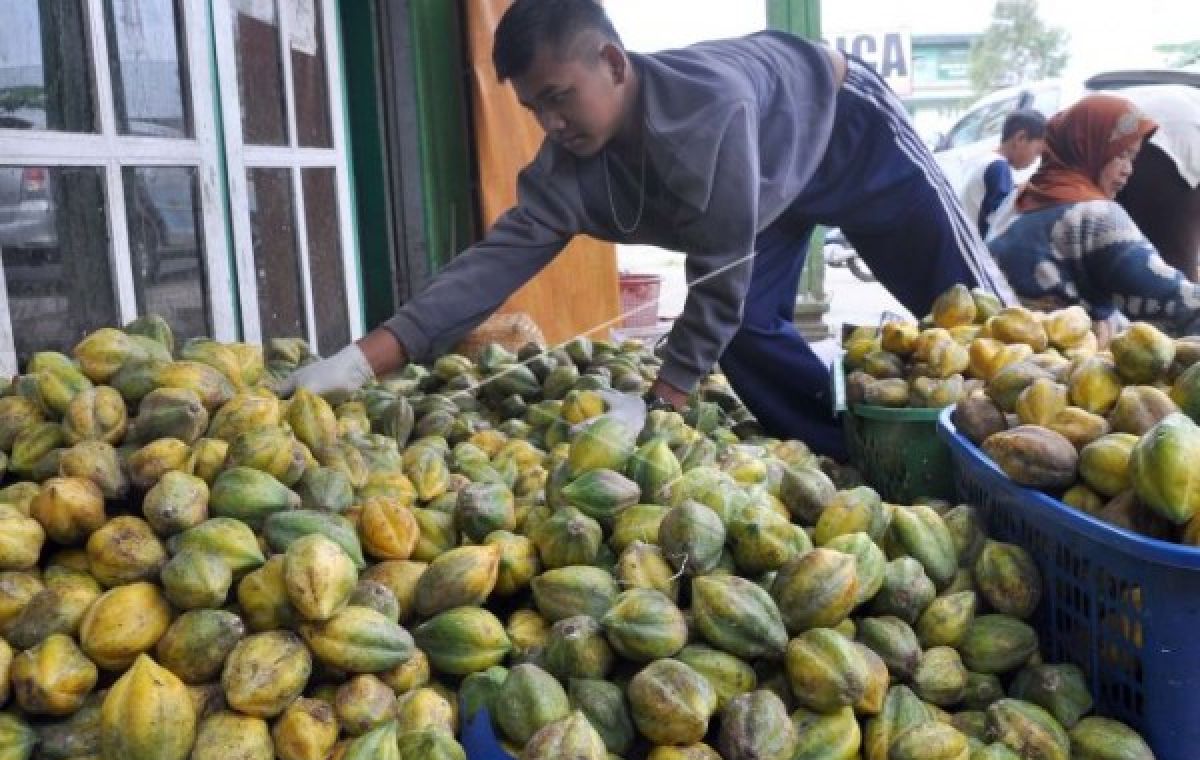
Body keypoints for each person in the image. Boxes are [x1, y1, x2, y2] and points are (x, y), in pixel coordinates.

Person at [283, 0, 1013, 458]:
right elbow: (489, 267)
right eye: (536, 107)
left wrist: (661, 400)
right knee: (748, 333)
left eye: (561, 97)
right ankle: (849, 452)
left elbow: (718, 273)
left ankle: (1026, 446)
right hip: (762, 189)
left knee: (970, 310)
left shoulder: (706, 114)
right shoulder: (567, 168)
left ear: (611, 62)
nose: (553, 124)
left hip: (841, 129)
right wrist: (355, 362)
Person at [988, 94, 1200, 336]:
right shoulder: (1092, 215)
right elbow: (1178, 302)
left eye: (1133, 158)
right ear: (1087, 145)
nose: (1128, 170)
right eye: (1120, 154)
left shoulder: (1016, 199)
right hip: (1062, 363)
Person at [957, 109, 1046, 238]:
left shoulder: (984, 159)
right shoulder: (998, 167)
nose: (1035, 159)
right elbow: (1000, 218)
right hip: (977, 246)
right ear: (1020, 138)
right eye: (1037, 152)